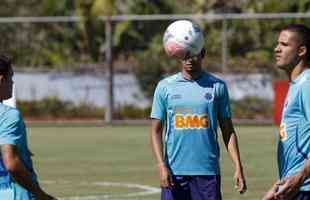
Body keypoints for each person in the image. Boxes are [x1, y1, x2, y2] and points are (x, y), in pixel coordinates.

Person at [150, 20, 247, 200]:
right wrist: (161, 166)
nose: (189, 59)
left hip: (207, 172)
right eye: (185, 55)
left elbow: (228, 130)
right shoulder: (165, 87)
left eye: (193, 54)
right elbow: (155, 131)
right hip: (174, 172)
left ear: (202, 53)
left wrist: (238, 166)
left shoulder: (217, 86)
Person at [263, 24, 310, 200]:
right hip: (294, 187)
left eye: (284, 44)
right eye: (277, 44)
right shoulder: (296, 85)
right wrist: (280, 184)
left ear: (301, 51)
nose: (277, 49)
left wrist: (300, 177)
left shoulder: (307, 84)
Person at [0, 55, 57, 200]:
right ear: (1, 80)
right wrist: (41, 195)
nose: (12, 83)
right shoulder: (8, 115)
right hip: (14, 194)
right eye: (11, 77)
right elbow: (11, 164)